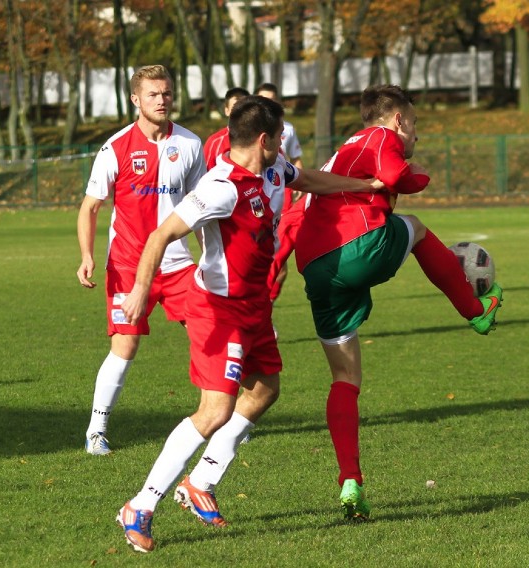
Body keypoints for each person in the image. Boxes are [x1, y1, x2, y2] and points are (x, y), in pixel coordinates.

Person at [114, 95, 383, 554]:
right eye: (280, 136)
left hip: (256, 305)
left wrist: (365, 185)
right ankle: (139, 505)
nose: (285, 143)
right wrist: (140, 288)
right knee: (215, 410)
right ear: (265, 139)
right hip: (218, 310)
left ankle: (200, 482)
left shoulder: (275, 171)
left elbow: (311, 178)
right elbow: (162, 234)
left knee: (264, 390)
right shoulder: (221, 186)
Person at [293, 84, 504, 521]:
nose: (416, 135)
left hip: (316, 268)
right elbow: (395, 176)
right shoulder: (380, 137)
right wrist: (419, 173)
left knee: (345, 377)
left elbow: (299, 210)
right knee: (418, 228)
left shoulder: (343, 150)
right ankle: (476, 313)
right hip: (358, 244)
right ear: (398, 120)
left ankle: (350, 480)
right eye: (415, 126)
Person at [76, 64, 206, 456]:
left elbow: (201, 206)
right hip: (129, 265)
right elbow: (90, 207)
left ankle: (225, 418)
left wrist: (209, 257)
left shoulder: (190, 144)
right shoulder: (115, 148)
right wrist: (86, 255)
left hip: (179, 263)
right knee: (125, 347)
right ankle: (96, 430)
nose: (162, 100)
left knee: (209, 333)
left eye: (166, 93)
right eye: (153, 94)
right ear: (136, 99)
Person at [255, 82, 304, 302]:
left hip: (281, 199)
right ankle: (257, 308)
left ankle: (265, 308)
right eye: (264, 99)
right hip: (253, 201)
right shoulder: (247, 130)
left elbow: (296, 160)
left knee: (281, 267)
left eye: (272, 100)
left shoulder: (288, 129)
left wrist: (299, 185)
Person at [203, 87, 250, 169]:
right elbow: (204, 175)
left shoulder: (261, 140)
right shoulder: (214, 142)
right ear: (227, 111)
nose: (240, 111)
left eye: (244, 107)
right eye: (235, 107)